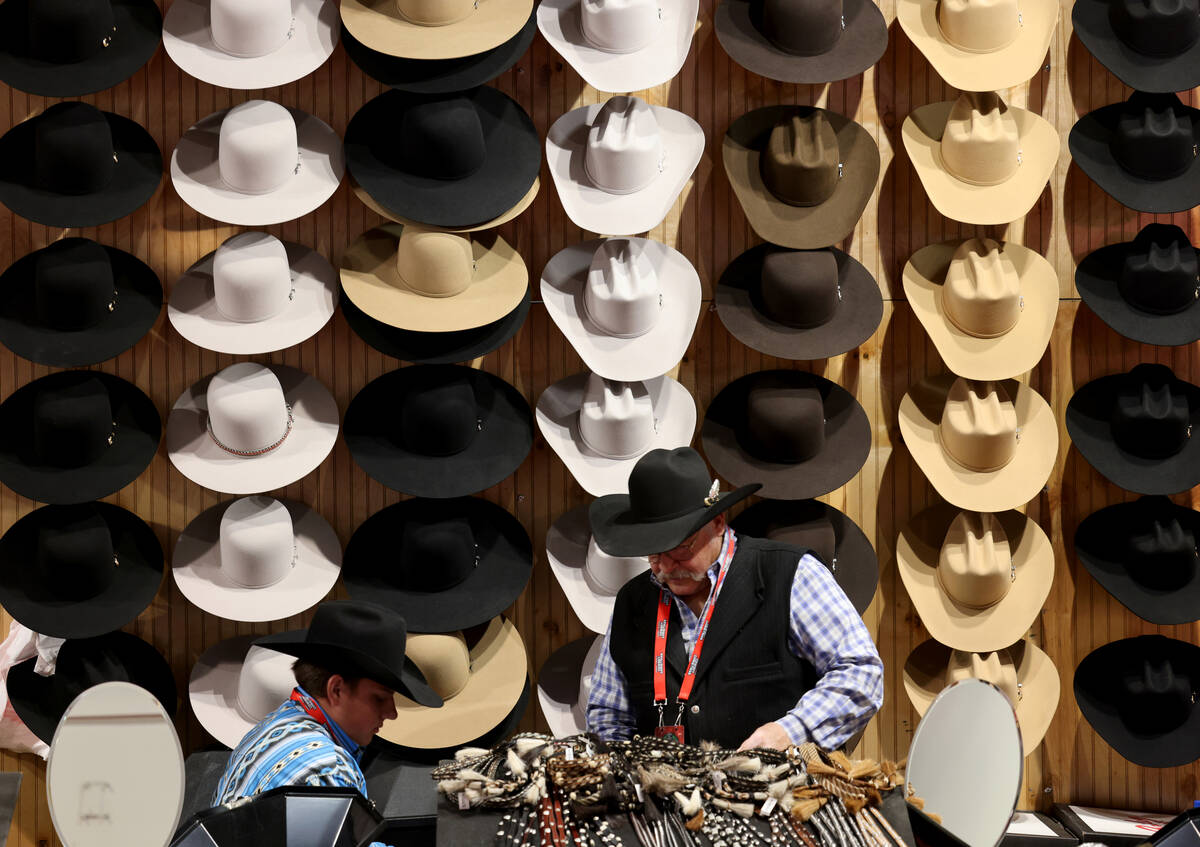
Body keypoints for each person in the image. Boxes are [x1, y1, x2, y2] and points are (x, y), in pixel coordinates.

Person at [586, 447, 884, 751]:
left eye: (680, 548)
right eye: (652, 552)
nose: (664, 567)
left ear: (717, 523)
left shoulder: (789, 574)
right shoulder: (632, 602)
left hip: (783, 793)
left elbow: (861, 673)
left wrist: (790, 732)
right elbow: (608, 715)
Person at [213, 599, 442, 805]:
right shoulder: (329, 772)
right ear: (336, 690)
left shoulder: (273, 723)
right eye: (380, 698)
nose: (391, 713)